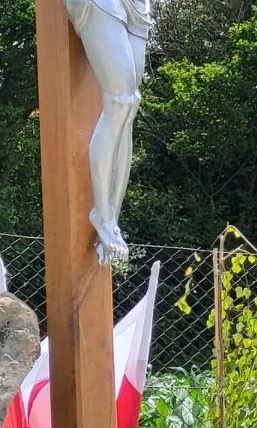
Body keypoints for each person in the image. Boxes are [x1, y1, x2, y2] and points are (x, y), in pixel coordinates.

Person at [63, 0, 152, 264]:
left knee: (130, 104)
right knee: (120, 99)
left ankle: (111, 217)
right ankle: (102, 213)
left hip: (138, 6)